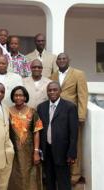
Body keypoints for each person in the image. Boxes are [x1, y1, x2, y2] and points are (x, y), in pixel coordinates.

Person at [50, 53, 88, 185]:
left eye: (64, 58)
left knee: (74, 143)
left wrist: (81, 115)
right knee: (60, 143)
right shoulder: (53, 76)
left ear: (68, 60)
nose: (61, 61)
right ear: (56, 61)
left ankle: (75, 174)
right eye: (59, 59)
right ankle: (59, 172)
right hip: (57, 114)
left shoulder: (78, 74)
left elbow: (82, 95)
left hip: (72, 114)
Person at [37, 81, 79, 190]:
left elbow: (74, 132)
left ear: (60, 91)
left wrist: (72, 152)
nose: (52, 92)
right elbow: (39, 130)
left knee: (63, 181)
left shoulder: (70, 107)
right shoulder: (41, 107)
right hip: (47, 150)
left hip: (63, 152)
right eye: (49, 90)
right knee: (49, 180)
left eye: (55, 90)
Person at [8, 86, 43, 190]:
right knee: (14, 177)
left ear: (25, 97)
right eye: (16, 95)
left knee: (30, 177)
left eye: (21, 95)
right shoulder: (7, 111)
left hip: (29, 152)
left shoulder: (32, 112)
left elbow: (37, 132)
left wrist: (36, 152)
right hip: (12, 152)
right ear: (13, 97)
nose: (18, 97)